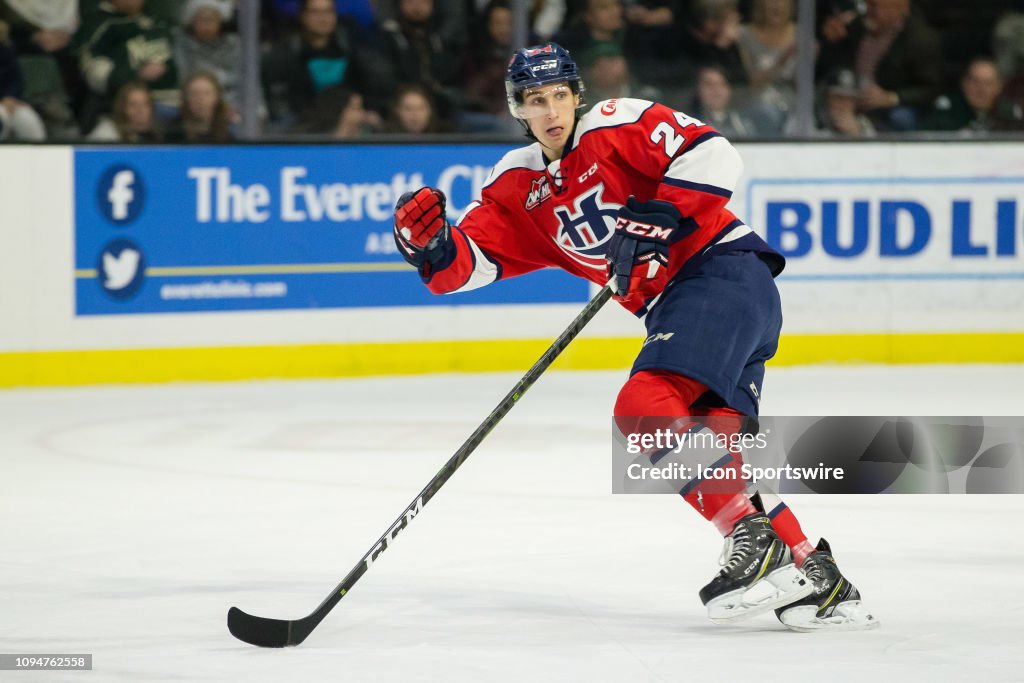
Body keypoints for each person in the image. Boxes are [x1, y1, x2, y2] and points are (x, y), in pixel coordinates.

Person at [391, 42, 879, 631]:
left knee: (642, 409)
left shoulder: (616, 124)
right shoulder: (516, 185)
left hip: (719, 272)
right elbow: (467, 266)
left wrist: (662, 213)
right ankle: (817, 577)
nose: (551, 111)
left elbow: (715, 154)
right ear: (518, 108)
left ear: (578, 96)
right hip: (699, 304)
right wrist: (430, 245)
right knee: (712, 452)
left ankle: (755, 543)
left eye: (559, 96)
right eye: (535, 100)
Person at [164, 70, 231, 142]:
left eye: (207, 93)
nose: (200, 99)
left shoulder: (231, 131)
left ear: (217, 97)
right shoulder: (172, 131)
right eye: (194, 94)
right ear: (185, 98)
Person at [85, 80, 162, 142]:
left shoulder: (158, 136)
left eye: (145, 104)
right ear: (122, 108)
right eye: (133, 105)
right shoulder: (106, 134)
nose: (140, 111)